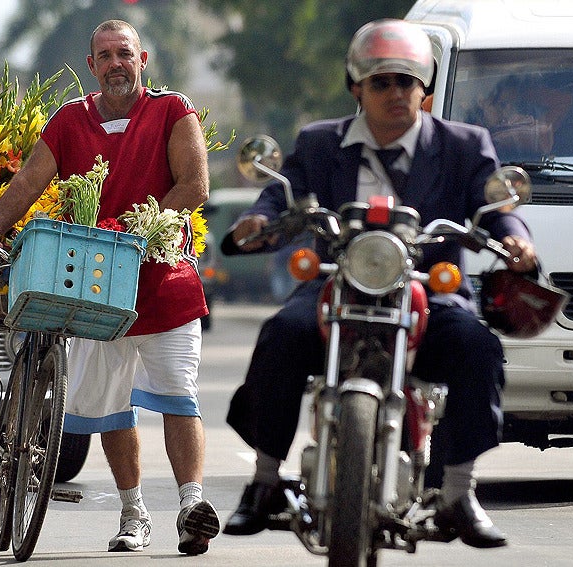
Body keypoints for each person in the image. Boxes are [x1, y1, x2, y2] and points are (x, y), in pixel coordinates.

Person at [219, 19, 538, 549]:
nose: (396, 93)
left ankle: (459, 491)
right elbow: (283, 195)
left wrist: (516, 238)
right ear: (356, 88)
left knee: (478, 347)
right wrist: (258, 221)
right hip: (334, 287)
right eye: (382, 82)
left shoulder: (463, 145)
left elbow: (495, 204)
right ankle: (266, 480)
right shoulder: (321, 143)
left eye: (407, 82)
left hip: (428, 293)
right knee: (280, 336)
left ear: (425, 89)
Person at [0, 20, 219, 556]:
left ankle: (192, 504)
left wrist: (141, 227)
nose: (115, 64)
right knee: (109, 408)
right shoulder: (70, 122)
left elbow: (195, 184)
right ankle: (133, 513)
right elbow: (29, 182)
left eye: (123, 53)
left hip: (163, 279)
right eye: (104, 56)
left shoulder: (172, 111)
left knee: (180, 395)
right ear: (92, 66)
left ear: (142, 59)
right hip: (96, 286)